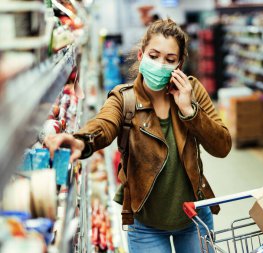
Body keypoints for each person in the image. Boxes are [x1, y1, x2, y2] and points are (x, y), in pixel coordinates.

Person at [45, 18, 232, 252]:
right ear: (142, 56)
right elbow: (105, 124)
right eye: (154, 56)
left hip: (194, 218)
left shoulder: (192, 92)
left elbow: (222, 146)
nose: (160, 64)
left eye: (170, 60)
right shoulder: (124, 99)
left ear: (179, 65)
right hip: (145, 226)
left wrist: (189, 111)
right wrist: (80, 140)